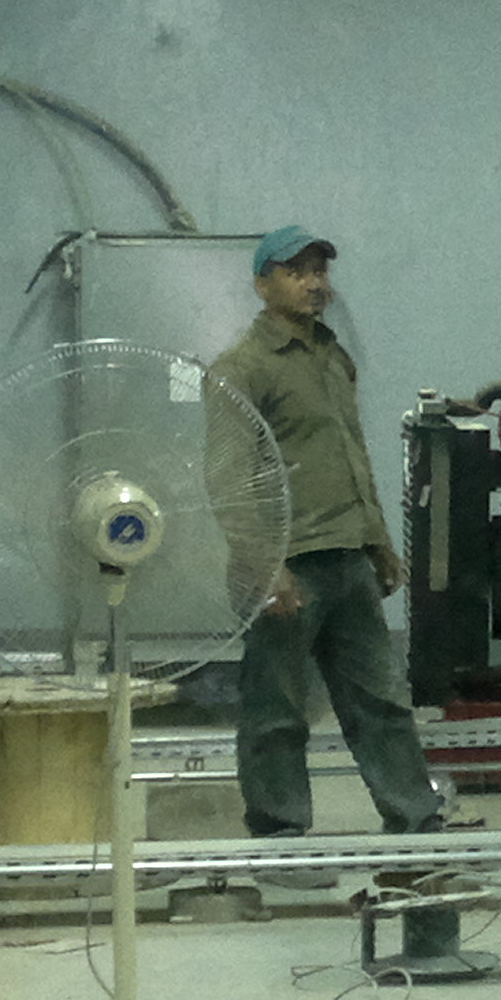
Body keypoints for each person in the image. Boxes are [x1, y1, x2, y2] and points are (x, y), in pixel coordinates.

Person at [209, 226, 453, 841]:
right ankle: (280, 833)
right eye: (296, 272)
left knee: (382, 702)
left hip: (348, 560)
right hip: (287, 566)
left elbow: (351, 455)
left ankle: (415, 822)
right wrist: (265, 565)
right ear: (262, 285)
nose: (313, 283)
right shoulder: (242, 369)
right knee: (276, 712)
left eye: (319, 271)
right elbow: (228, 478)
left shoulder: (331, 358)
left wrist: (378, 542)